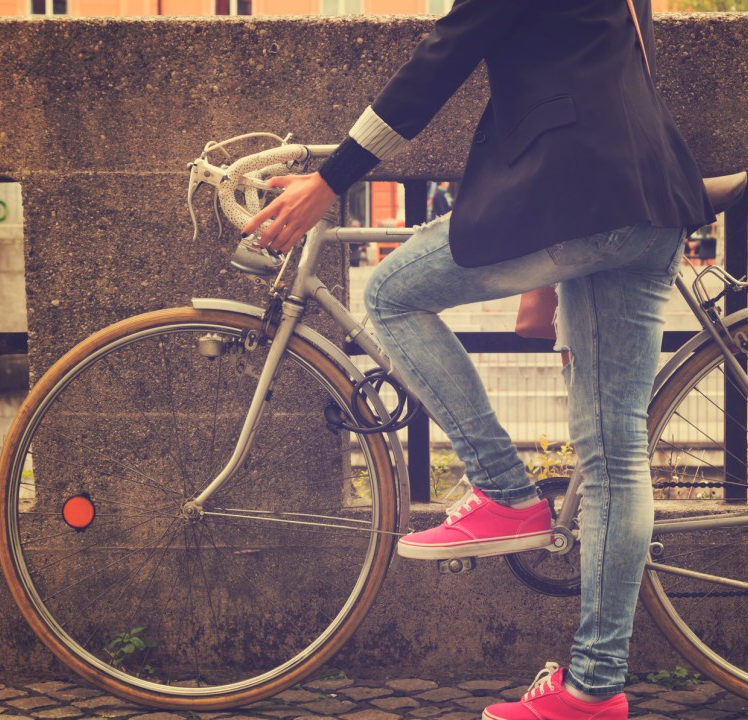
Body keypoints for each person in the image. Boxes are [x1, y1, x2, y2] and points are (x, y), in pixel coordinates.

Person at [240, 3, 715, 719]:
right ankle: (592, 690)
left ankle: (504, 490)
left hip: (579, 196)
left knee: (394, 294)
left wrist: (331, 180)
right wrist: (552, 283)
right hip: (651, 196)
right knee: (619, 458)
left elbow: (440, 61)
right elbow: (591, 67)